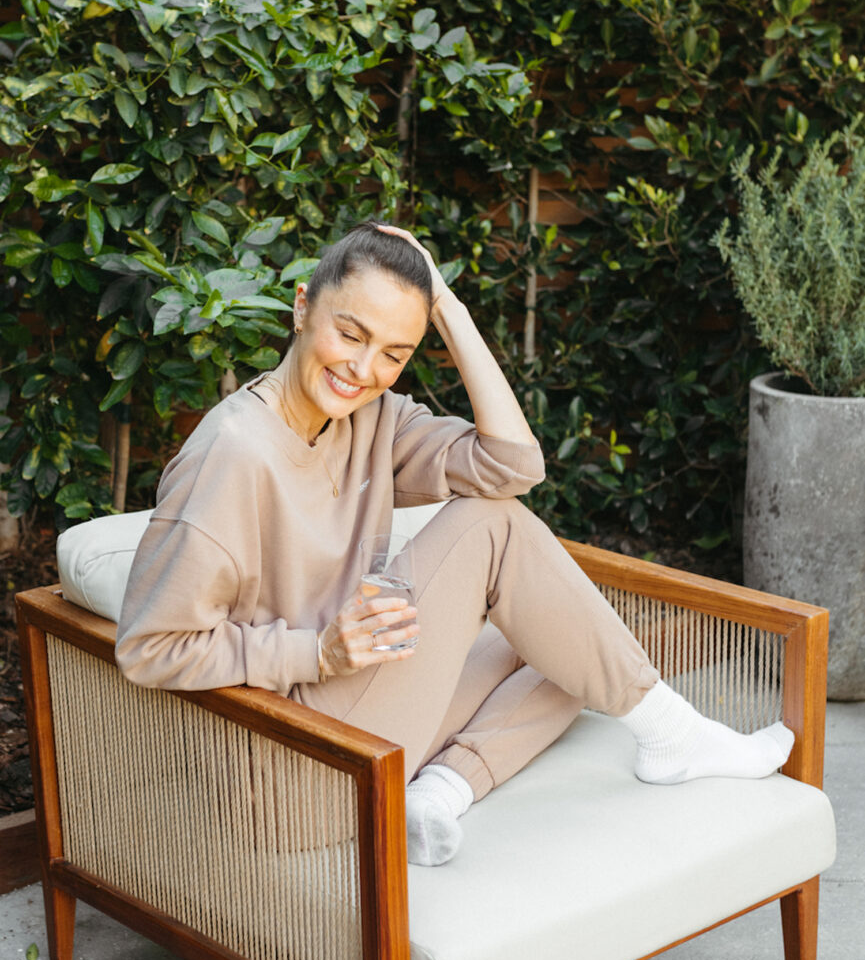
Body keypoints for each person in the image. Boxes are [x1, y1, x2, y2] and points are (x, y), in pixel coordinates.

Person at [116, 221, 794, 866]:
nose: (361, 367)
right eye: (349, 332)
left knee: (563, 644)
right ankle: (674, 734)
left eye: (393, 353)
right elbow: (150, 647)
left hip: (358, 710)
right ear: (302, 308)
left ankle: (439, 791)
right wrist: (316, 651)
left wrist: (447, 308)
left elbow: (512, 466)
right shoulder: (232, 454)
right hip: (288, 768)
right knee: (491, 527)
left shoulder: (370, 418)